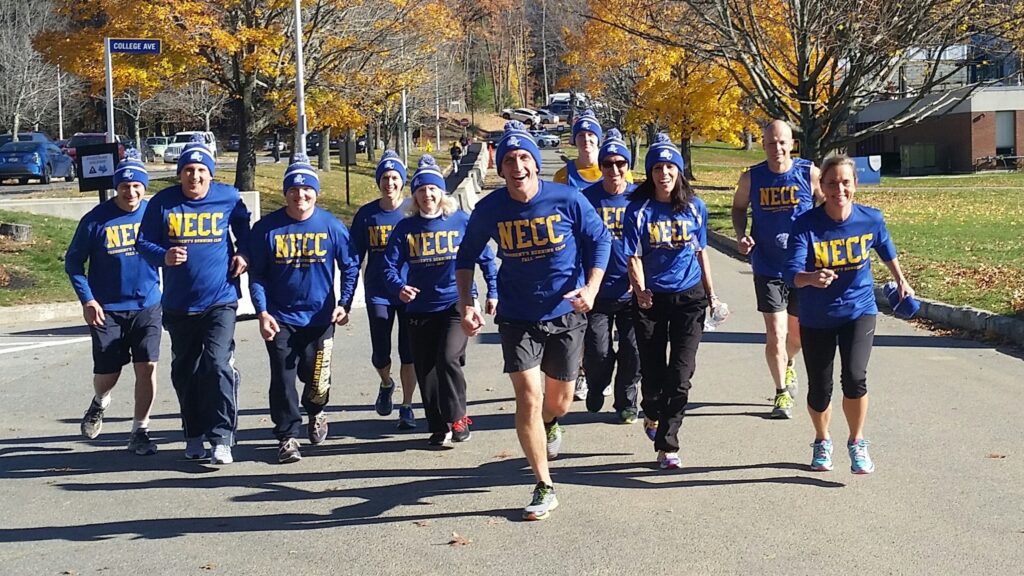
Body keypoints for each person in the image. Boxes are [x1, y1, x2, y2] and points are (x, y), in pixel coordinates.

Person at [456, 121, 610, 521]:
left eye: (524, 157)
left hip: (565, 312)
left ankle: (551, 424)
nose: (518, 165)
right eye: (510, 159)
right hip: (517, 316)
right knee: (528, 396)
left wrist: (591, 288)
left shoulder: (567, 199)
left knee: (558, 402)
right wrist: (466, 304)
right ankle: (544, 483)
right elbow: (466, 256)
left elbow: (600, 241)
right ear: (501, 167)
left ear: (535, 164)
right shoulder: (490, 208)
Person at [784, 154, 914, 475]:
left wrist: (901, 280)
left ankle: (857, 442)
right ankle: (822, 439)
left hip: (860, 310)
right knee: (819, 387)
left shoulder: (871, 219)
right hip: (817, 317)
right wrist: (811, 278)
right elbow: (791, 273)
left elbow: (886, 250)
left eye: (845, 182)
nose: (839, 189)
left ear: (855, 184)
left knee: (855, 377)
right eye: (831, 183)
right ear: (822, 187)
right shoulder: (806, 225)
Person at [137, 135, 251, 465]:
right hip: (179, 303)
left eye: (201, 170)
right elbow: (144, 243)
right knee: (185, 371)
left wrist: (243, 253)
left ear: (211, 174)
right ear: (180, 173)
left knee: (215, 364)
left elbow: (245, 232)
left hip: (221, 299)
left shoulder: (228, 198)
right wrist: (164, 255)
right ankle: (194, 434)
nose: (195, 176)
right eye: (188, 170)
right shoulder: (163, 203)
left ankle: (222, 437)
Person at [248, 156, 359, 464]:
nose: (300, 196)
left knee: (317, 378)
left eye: (306, 189)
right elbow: (257, 274)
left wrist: (344, 303)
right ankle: (286, 437)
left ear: (316, 192)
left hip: (321, 318)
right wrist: (262, 312)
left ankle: (317, 412)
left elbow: (350, 266)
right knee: (282, 377)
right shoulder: (266, 229)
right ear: (286, 193)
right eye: (294, 190)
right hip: (280, 318)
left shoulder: (331, 226)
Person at [382, 155, 497, 448]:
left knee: (446, 359)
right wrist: (399, 288)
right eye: (421, 190)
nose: (427, 195)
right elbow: (388, 267)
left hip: (455, 305)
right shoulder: (405, 229)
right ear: (415, 196)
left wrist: (492, 292)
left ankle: (458, 417)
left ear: (441, 193)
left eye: (432, 189)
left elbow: (485, 258)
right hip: (420, 309)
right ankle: (437, 425)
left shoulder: (459, 221)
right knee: (426, 370)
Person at [623, 133, 719, 471]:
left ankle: (668, 443)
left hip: (689, 298)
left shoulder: (695, 207)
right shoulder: (638, 211)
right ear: (649, 173)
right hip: (651, 300)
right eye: (657, 167)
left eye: (669, 167)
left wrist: (711, 295)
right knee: (651, 375)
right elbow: (632, 256)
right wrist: (640, 289)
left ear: (678, 171)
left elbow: (701, 252)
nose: (664, 173)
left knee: (680, 374)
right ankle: (652, 413)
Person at [65, 151, 162, 456]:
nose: (131, 192)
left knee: (146, 366)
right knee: (108, 373)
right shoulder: (95, 220)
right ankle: (100, 401)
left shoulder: (154, 215)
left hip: (147, 305)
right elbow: (73, 263)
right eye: (125, 186)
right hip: (107, 309)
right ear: (117, 187)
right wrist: (88, 300)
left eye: (137, 186)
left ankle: (140, 430)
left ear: (144, 188)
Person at [731, 119, 822, 419]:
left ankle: (789, 364)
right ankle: (781, 393)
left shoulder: (808, 173)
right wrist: (741, 234)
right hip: (767, 265)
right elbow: (738, 208)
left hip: (802, 267)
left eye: (782, 142)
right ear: (764, 144)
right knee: (776, 333)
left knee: (796, 338)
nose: (777, 148)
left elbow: (829, 204)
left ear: (792, 143)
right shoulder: (752, 177)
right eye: (771, 143)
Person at [554, 109, 633, 402]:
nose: (586, 140)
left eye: (591, 135)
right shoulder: (568, 179)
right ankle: (591, 377)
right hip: (590, 277)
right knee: (596, 343)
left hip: (625, 282)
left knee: (629, 346)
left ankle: (623, 389)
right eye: (582, 135)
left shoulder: (628, 184)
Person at [351, 151, 418, 430]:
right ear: (378, 181)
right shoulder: (368, 215)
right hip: (378, 291)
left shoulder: (412, 211)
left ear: (402, 182)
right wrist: (347, 294)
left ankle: (407, 405)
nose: (389, 183)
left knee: (408, 351)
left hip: (410, 292)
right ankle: (386, 382)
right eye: (385, 178)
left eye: (394, 178)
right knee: (381, 352)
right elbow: (354, 256)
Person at [579, 129, 641, 422]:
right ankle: (596, 384)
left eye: (621, 164)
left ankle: (627, 401)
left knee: (633, 349)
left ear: (628, 166)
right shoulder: (586, 199)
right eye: (608, 164)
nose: (614, 170)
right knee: (597, 351)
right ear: (600, 166)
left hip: (633, 291)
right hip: (597, 293)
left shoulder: (640, 198)